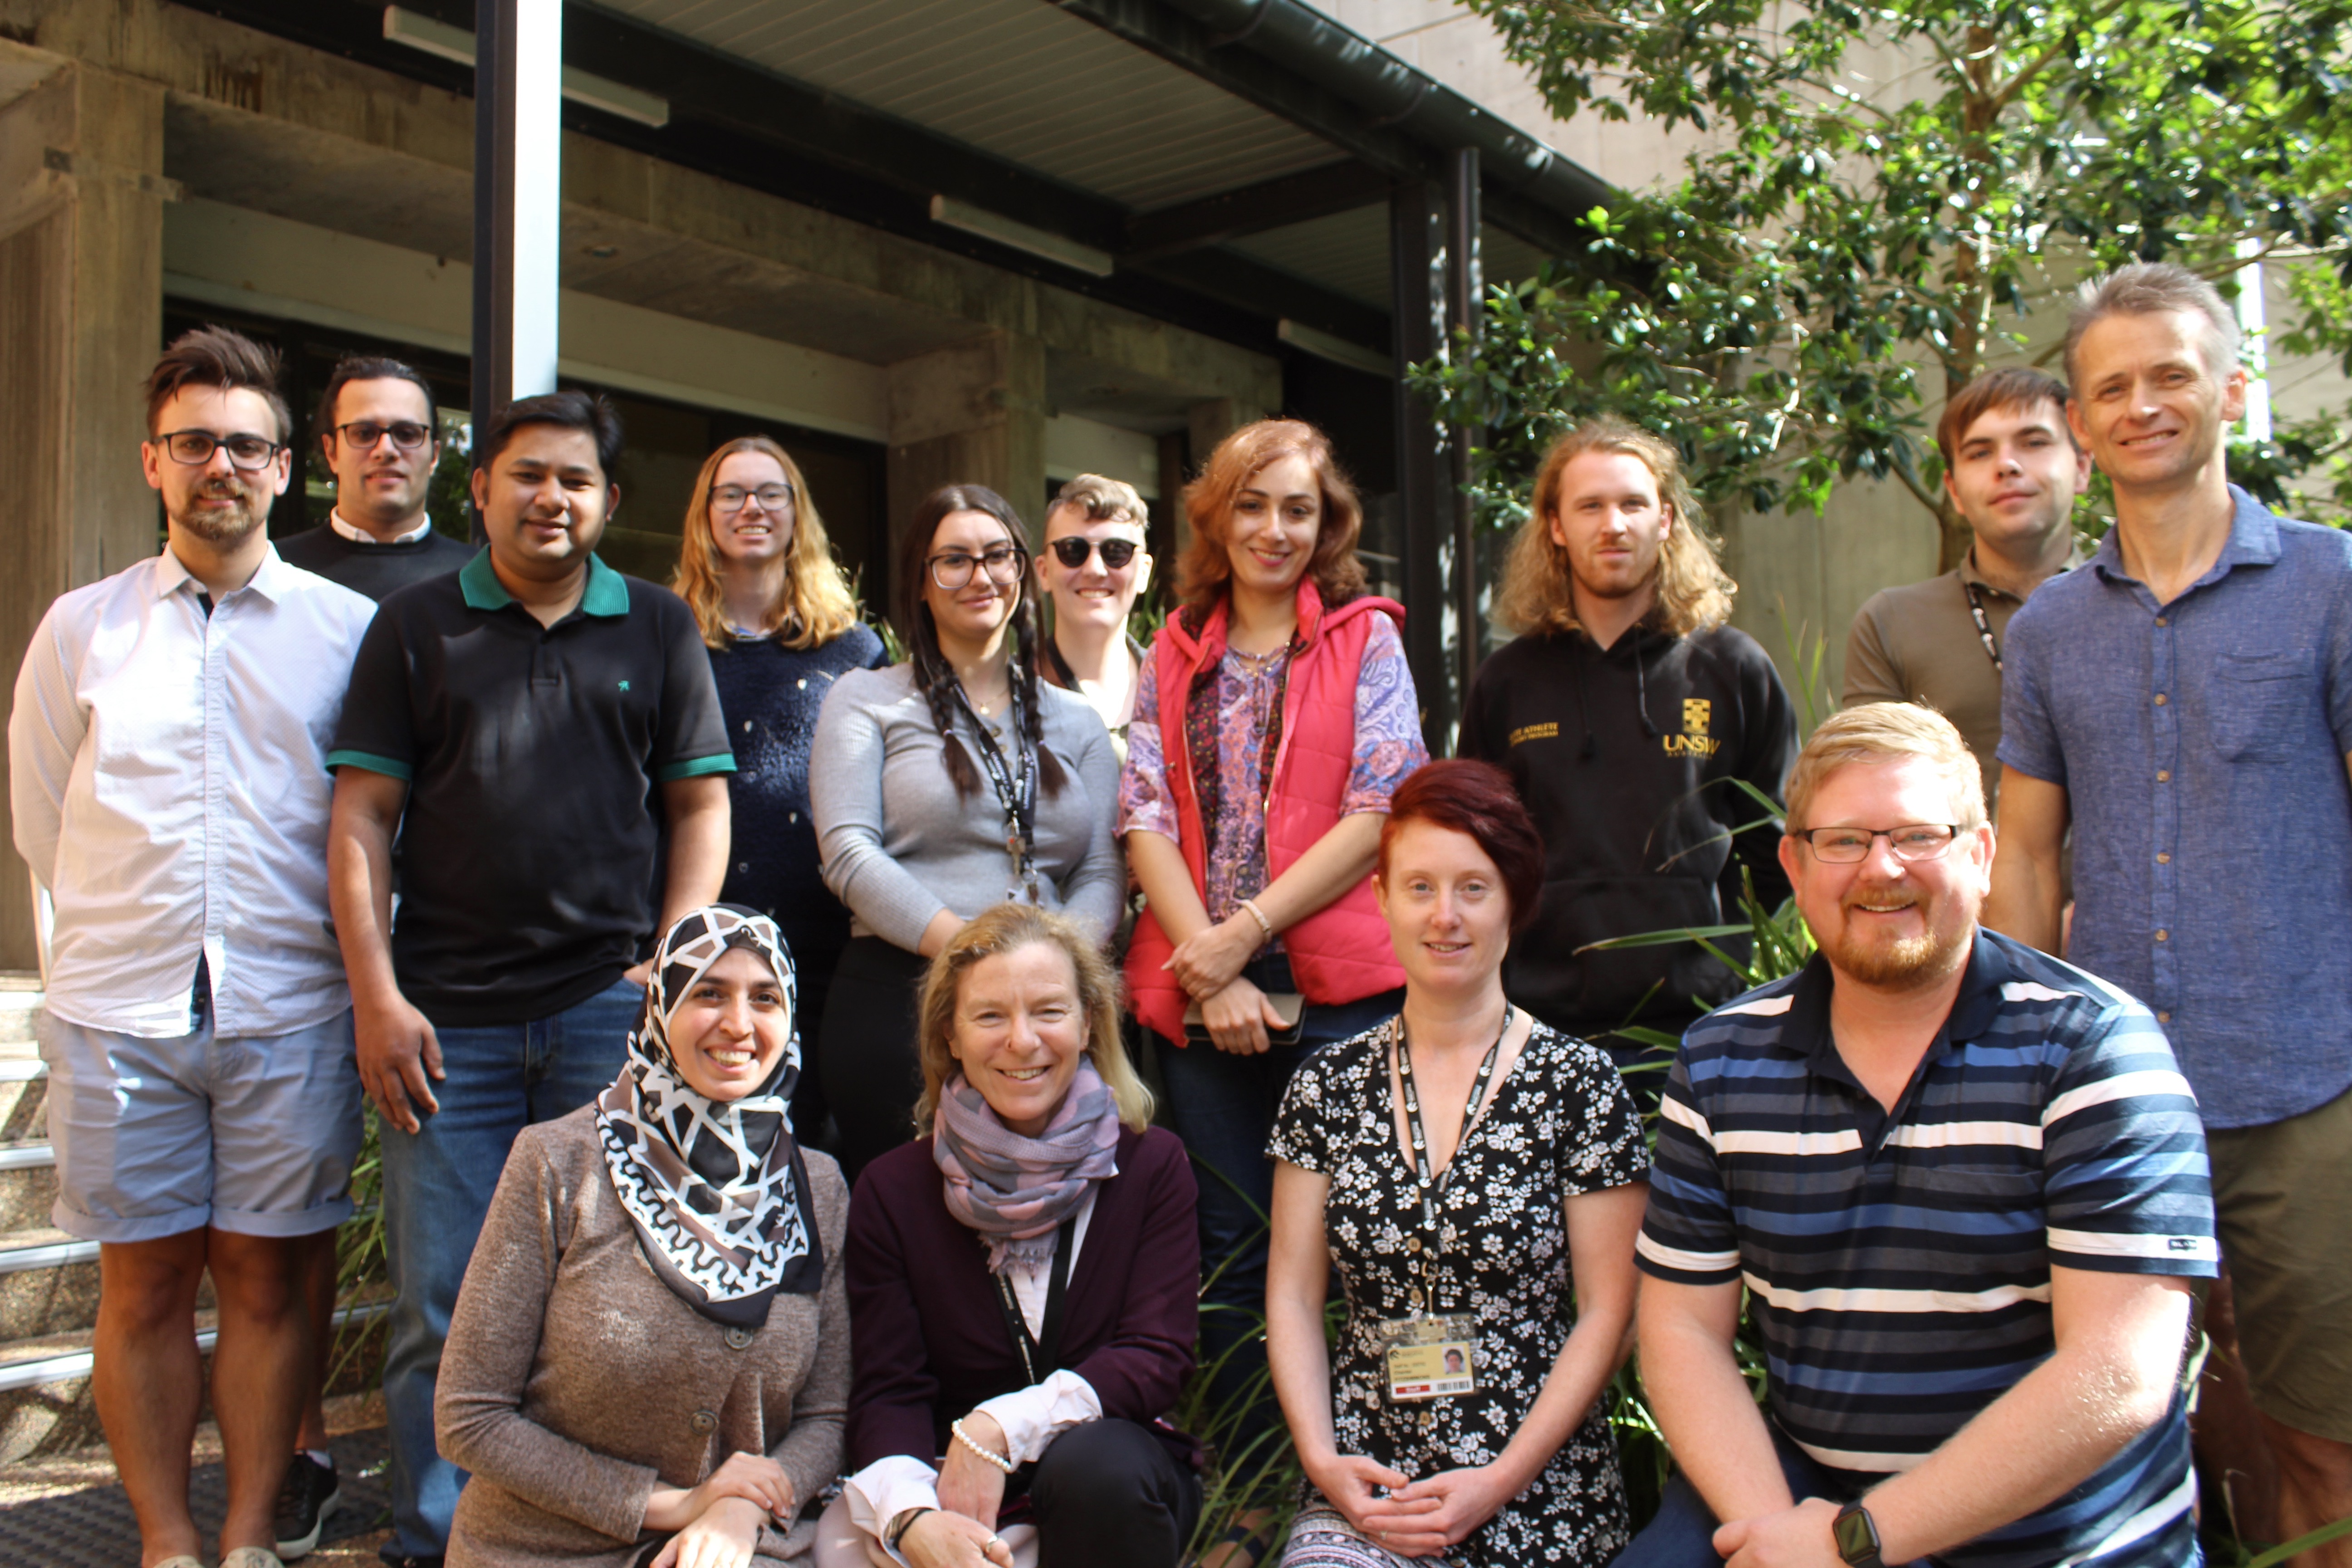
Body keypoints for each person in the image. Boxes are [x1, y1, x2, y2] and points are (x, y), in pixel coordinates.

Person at [1624, 702, 2216, 1568]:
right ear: (1792, 864)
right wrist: (1781, 1539)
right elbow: (1677, 1332)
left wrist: (1858, 1543)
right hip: (1806, 1496)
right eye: (1843, 841)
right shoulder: (1721, 1060)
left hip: (2052, 1536)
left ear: (1978, 856)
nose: (1881, 869)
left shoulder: (2090, 1049)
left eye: (1916, 835)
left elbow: (2119, 1371)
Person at [326, 389, 738, 1568]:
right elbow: (361, 816)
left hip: (608, 1014)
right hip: (442, 1020)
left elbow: (698, 804)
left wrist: (677, 965)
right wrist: (376, 994)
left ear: (608, 503)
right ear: (483, 489)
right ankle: (442, 1541)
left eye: (576, 480)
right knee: (443, 1305)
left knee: (616, 1297)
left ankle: (587, 1534)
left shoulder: (655, 626)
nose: (551, 497)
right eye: (528, 475)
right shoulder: (414, 626)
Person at [1987, 261, 2352, 1565]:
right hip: (2117, 1107)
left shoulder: (2333, 585)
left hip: (2310, 1093)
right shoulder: (2047, 633)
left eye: (2171, 378)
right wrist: (2016, 1068)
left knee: (2327, 1447)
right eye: (2111, 388)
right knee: (2100, 1438)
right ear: (2080, 423)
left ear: (2232, 393)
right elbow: (2023, 859)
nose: (2142, 406)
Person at [8, 326, 377, 1568]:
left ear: (286, 468)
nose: (220, 464)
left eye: (244, 444)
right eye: (194, 443)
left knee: (270, 1288)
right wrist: (75, 982)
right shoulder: (79, 630)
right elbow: (42, 819)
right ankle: (167, 1540)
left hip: (292, 1005)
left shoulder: (346, 630)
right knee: (144, 1288)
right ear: (153, 463)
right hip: (122, 1012)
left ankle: (252, 1534)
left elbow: (376, 820)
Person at [1118, 418, 1428, 1536]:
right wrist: (1208, 967)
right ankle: (1256, 1483)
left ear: (1326, 522)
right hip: (1204, 996)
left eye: (1297, 508)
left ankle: (1383, 1480)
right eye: (1251, 505)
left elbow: (1382, 802)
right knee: (1233, 1248)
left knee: (1372, 1240)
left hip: (1342, 991)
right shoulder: (1175, 646)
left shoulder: (1366, 638)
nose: (1273, 529)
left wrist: (1239, 931)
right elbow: (1143, 809)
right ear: (1215, 515)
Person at [1265, 760, 1649, 1568]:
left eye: (1472, 888)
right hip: (1367, 1481)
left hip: (1534, 1477)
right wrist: (1321, 1461)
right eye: (1419, 887)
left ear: (1514, 899)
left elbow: (1608, 1313)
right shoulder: (1324, 1087)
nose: (1444, 916)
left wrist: (1497, 1480)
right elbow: (1294, 1297)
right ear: (1379, 897)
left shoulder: (1577, 1085)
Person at [435, 906, 848, 1568]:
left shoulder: (818, 1187)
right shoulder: (558, 1161)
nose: (739, 1025)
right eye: (708, 992)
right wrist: (675, 1504)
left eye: (764, 998)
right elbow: (470, 1416)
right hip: (542, 1549)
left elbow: (828, 1418)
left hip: (740, 1547)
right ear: (661, 1005)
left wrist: (742, 1508)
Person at [823, 902, 1201, 1568]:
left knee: (1097, 1466)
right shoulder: (893, 1190)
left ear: (1089, 1024)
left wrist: (1001, 1425)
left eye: (1049, 1012)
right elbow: (890, 1388)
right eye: (990, 1016)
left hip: (1111, 1479)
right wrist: (914, 1520)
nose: (1022, 1041)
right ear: (950, 1035)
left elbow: (1155, 1355)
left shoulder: (1152, 1166)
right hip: (954, 1493)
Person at [1455, 417, 1796, 1084]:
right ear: (1556, 526)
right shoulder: (1508, 680)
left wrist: (1714, 932)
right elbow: (1478, 846)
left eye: (1633, 503)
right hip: (1538, 1026)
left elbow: (1780, 844)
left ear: (1666, 520)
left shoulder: (1734, 667)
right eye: (1590, 506)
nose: (1613, 524)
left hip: (1701, 1028)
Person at [809, 485, 1123, 1182]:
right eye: (953, 560)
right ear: (920, 581)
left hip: (1047, 1018)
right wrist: (976, 956)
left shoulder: (1076, 721)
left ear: (1025, 572)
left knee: (1052, 1225)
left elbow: (1103, 870)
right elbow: (848, 855)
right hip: (899, 999)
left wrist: (1049, 971)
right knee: (907, 1233)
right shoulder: (864, 700)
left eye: (997, 557)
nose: (979, 577)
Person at [673, 435, 889, 1137]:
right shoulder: (667, 637)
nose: (751, 508)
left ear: (799, 514)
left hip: (823, 938)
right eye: (731, 493)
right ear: (706, 514)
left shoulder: (855, 649)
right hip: (699, 934)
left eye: (771, 493)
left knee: (815, 1148)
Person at [1844, 368, 2088, 815]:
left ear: (2083, 466)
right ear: (1954, 491)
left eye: (2034, 443)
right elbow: (1872, 800)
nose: (2007, 465)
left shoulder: (2141, 607)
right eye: (1980, 452)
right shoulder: (1894, 623)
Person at [277, 354, 473, 601]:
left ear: (434, 455)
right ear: (331, 452)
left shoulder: (481, 579)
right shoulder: (275, 575)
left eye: (407, 434)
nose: (386, 450)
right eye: (364, 433)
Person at [1033, 474, 1152, 755]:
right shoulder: (1009, 693)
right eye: (1073, 551)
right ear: (1044, 572)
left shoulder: (1180, 689)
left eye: (1117, 552)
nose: (1095, 569)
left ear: (1144, 572)